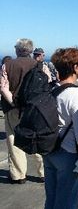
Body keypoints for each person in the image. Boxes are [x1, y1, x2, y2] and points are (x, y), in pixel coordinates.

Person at [43, 47, 78, 209]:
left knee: (52, 197)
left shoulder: (52, 89)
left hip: (49, 150)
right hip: (68, 153)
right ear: (75, 68)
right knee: (68, 201)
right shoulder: (76, 94)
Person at [0, 38, 45, 184]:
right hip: (34, 108)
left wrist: (12, 100)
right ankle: (42, 173)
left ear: (17, 50)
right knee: (37, 138)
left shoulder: (7, 65)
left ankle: (19, 175)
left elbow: (3, 86)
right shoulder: (39, 65)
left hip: (12, 108)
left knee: (13, 139)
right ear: (31, 51)